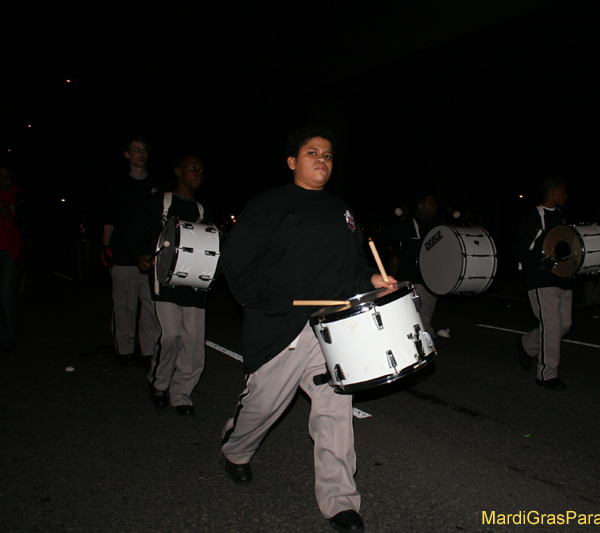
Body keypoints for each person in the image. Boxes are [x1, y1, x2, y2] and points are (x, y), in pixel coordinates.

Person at [219, 126, 395, 533]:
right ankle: (235, 447)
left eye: (328, 155)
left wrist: (371, 280)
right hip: (280, 327)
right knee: (264, 407)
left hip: (332, 329)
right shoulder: (270, 203)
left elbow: (354, 267)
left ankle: (340, 501)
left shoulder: (342, 210)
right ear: (291, 162)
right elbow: (236, 261)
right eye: (312, 152)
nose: (322, 160)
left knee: (335, 410)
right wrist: (273, 301)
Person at [131, 156, 212, 415]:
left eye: (200, 168)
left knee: (194, 342)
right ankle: (160, 383)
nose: (198, 172)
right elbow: (139, 232)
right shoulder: (161, 202)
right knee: (171, 336)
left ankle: (182, 393)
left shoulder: (201, 210)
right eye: (192, 168)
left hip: (193, 283)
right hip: (164, 279)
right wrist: (142, 254)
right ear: (178, 171)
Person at [101, 136, 161, 366]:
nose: (141, 154)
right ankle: (124, 349)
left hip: (148, 255)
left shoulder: (156, 185)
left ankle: (148, 351)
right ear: (127, 154)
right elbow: (110, 219)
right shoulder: (117, 185)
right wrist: (106, 247)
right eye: (136, 150)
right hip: (122, 253)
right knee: (124, 304)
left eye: (145, 150)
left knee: (150, 305)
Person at [512, 176, 571, 391]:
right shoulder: (534, 216)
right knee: (552, 326)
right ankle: (547, 374)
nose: (566, 195)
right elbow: (519, 249)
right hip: (541, 280)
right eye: (563, 191)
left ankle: (527, 344)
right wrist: (539, 262)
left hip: (562, 279)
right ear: (553, 192)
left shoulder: (562, 216)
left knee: (563, 325)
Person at [376, 192, 448, 338]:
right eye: (431, 203)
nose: (435, 207)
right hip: (415, 280)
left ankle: (427, 341)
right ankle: (430, 342)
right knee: (421, 321)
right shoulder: (408, 225)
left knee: (423, 318)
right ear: (421, 206)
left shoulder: (435, 228)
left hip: (430, 281)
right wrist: (398, 217)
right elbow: (383, 235)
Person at [0, 166, 27, 353]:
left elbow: (28, 224)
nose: (3, 181)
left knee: (5, 294)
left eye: (7, 177)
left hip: (11, 252)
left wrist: (11, 215)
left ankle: (7, 340)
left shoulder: (19, 197)